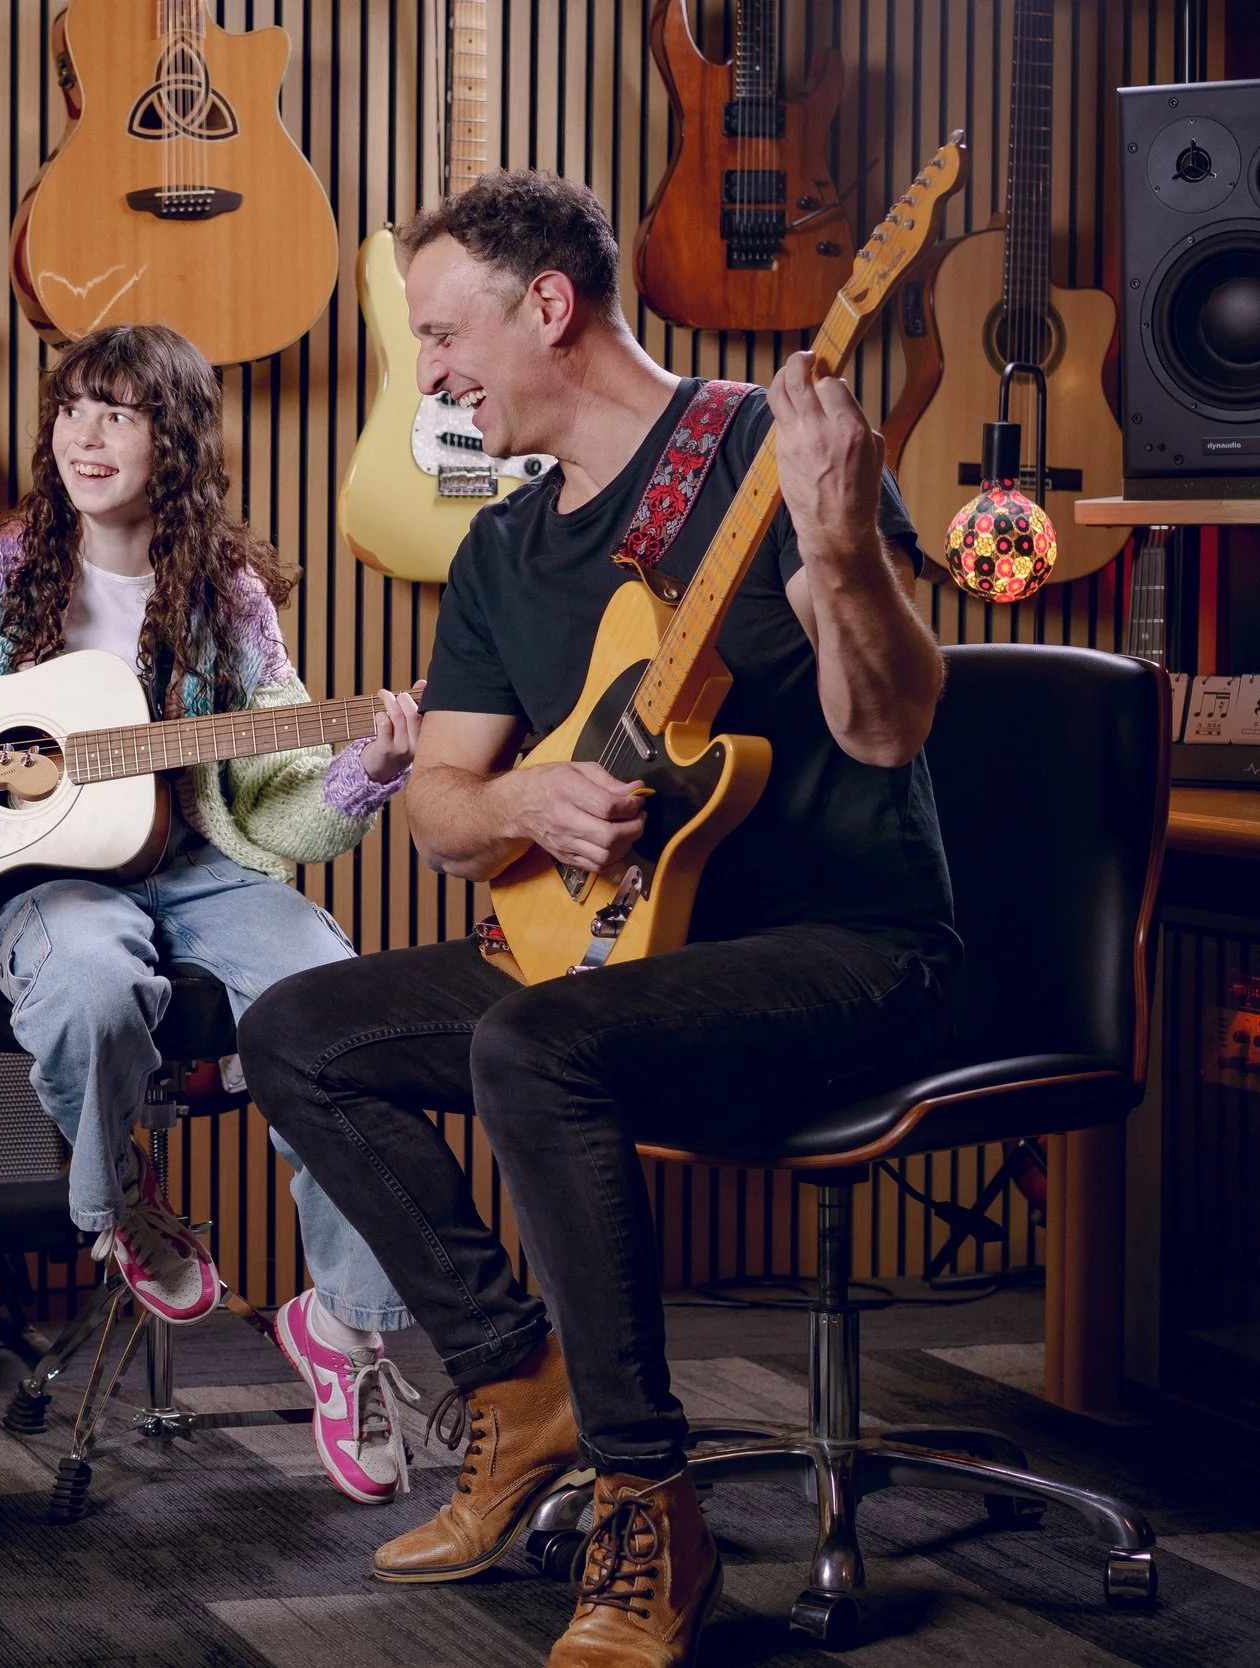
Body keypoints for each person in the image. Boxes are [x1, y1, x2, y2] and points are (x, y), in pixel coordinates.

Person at [237, 172, 955, 1668]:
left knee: (534, 1044)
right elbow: (439, 805)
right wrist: (523, 806)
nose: (427, 372)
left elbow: (888, 733)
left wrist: (837, 554)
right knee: (299, 1031)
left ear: (547, 308)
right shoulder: (505, 548)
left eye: (443, 334)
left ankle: (648, 1503)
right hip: (623, 946)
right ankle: (516, 1393)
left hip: (844, 953)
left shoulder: (774, 451)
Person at [0, 322, 430, 1505]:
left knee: (340, 1013)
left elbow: (274, 809)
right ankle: (120, 1206)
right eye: (73, 406)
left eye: (118, 411)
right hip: (46, 882)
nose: (86, 431)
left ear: (172, 440)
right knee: (90, 978)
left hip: (198, 867)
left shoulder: (227, 597)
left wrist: (363, 773)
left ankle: (348, 1329)